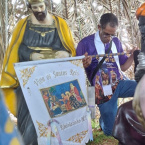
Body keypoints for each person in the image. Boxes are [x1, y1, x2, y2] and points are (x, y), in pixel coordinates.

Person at [0, 0, 76, 144]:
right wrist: (31, 55)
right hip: (29, 77)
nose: (39, 10)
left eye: (41, 6)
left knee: (56, 108)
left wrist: (64, 54)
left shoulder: (60, 24)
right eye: (35, 7)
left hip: (54, 75)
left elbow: (69, 48)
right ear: (30, 8)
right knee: (30, 110)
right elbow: (17, 48)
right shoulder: (23, 25)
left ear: (46, 5)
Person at [76, 13, 137, 136]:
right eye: (106, 34)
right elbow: (76, 70)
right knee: (110, 131)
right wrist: (84, 65)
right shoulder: (85, 44)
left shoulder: (116, 42)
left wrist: (133, 55)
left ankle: (134, 119)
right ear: (99, 27)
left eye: (112, 34)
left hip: (119, 83)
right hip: (102, 90)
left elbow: (124, 67)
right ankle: (103, 121)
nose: (109, 38)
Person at [112, 3, 145, 145]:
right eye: (143, 31)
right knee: (125, 111)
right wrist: (136, 57)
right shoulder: (88, 44)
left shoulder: (115, 43)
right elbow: (127, 68)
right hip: (108, 88)